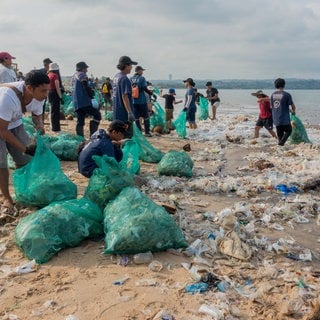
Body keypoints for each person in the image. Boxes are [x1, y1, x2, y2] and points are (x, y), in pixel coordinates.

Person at [0, 70, 50, 212]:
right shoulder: (7, 98)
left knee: (25, 159)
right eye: (43, 91)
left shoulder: (39, 96)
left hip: (15, 122)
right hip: (1, 125)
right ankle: (6, 197)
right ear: (29, 88)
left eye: (48, 90)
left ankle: (21, 190)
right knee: (1, 162)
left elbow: (36, 116)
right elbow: (3, 131)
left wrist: (39, 125)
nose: (46, 95)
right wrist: (24, 147)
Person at [72, 61, 101, 137]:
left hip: (76, 102)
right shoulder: (82, 74)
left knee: (80, 121)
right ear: (82, 68)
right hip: (84, 101)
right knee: (97, 115)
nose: (86, 70)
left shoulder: (74, 76)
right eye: (85, 68)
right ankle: (92, 135)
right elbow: (84, 84)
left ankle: (80, 138)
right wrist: (90, 94)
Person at [112, 55, 138, 138]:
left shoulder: (116, 77)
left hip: (117, 112)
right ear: (126, 66)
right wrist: (129, 112)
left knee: (118, 136)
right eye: (130, 66)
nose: (131, 68)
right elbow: (125, 96)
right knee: (127, 137)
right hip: (124, 114)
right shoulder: (124, 79)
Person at [130, 65, 156, 137]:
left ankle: (139, 132)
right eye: (142, 71)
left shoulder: (131, 79)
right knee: (146, 117)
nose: (142, 72)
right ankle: (147, 132)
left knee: (137, 118)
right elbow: (145, 88)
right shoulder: (142, 78)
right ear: (138, 71)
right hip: (142, 101)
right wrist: (152, 94)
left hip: (133, 101)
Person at [270, 78, 296, 146]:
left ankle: (280, 145)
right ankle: (281, 143)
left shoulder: (273, 95)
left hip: (276, 118)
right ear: (284, 85)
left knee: (280, 134)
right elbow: (292, 106)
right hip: (284, 118)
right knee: (289, 131)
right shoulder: (286, 95)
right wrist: (293, 111)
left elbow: (273, 106)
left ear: (275, 85)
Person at [47, 63, 62, 132]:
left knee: (51, 110)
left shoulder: (49, 75)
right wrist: (60, 97)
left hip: (49, 93)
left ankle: (52, 126)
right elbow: (57, 87)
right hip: (54, 93)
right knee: (55, 111)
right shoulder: (55, 76)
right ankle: (56, 128)